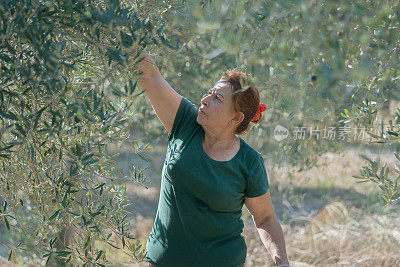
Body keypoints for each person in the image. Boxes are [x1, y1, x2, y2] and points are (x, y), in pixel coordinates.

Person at [129, 49, 290, 267]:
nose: (204, 100)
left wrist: (282, 262)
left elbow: (265, 219)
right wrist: (120, 31)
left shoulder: (249, 162)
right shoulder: (186, 123)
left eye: (217, 98)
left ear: (236, 117)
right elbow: (150, 75)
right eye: (209, 93)